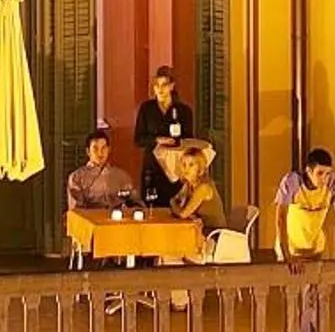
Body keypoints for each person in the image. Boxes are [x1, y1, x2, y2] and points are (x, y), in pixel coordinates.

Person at [271, 148, 335, 273]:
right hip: (291, 250)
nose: (324, 178)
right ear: (308, 171)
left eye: (328, 173)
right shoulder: (292, 182)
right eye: (320, 173)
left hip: (315, 250)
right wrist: (287, 256)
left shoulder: (332, 182)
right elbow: (281, 218)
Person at [65, 127, 135, 258]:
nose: (100, 153)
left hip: (117, 225)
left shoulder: (121, 176)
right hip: (90, 226)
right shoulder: (76, 177)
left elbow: (134, 201)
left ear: (109, 150)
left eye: (104, 148)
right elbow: (76, 210)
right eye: (95, 148)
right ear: (88, 151)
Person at [133, 67, 193, 205]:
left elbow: (189, 140)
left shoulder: (184, 111)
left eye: (164, 85)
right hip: (153, 166)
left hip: (175, 168)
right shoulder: (146, 108)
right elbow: (138, 140)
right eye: (157, 85)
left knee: (175, 205)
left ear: (172, 86)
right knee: (152, 206)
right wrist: (156, 140)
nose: (160, 89)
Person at [169, 141, 227, 239]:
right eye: (184, 164)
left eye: (191, 165)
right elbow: (173, 201)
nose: (186, 169)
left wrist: (182, 212)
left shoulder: (203, 188)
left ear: (199, 167)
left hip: (214, 235)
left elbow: (182, 213)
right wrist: (183, 211)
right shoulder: (188, 185)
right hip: (201, 230)